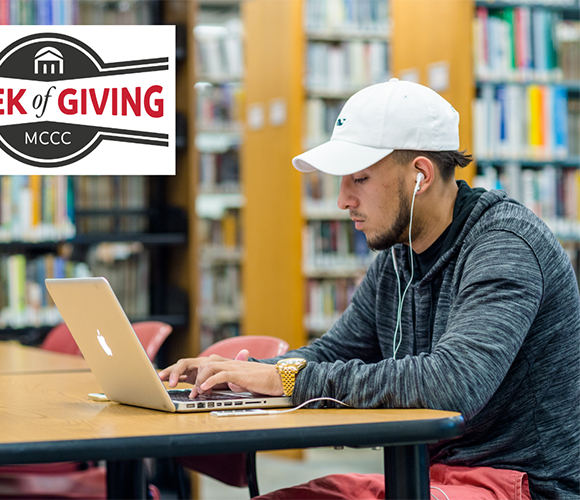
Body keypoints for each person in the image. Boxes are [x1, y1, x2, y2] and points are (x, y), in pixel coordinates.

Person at [159, 78, 580, 500]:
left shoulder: (506, 244)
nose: (342, 200)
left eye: (359, 179)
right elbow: (334, 353)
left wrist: (284, 379)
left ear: (420, 176)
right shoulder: (399, 257)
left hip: (522, 485)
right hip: (429, 477)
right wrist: (239, 378)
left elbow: (452, 384)